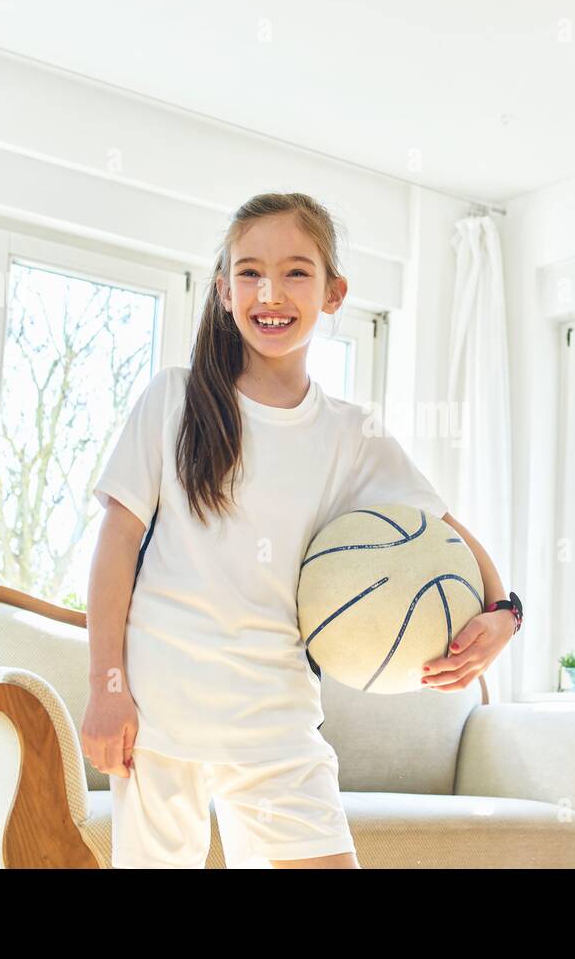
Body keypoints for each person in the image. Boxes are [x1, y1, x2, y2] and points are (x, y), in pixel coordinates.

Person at [80, 192, 519, 869]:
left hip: (276, 719)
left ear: (333, 292)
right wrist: (108, 690)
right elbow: (114, 550)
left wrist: (503, 614)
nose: (270, 292)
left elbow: (450, 536)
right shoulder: (173, 398)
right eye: (250, 272)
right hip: (161, 715)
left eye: (295, 272)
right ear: (224, 291)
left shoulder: (352, 435)